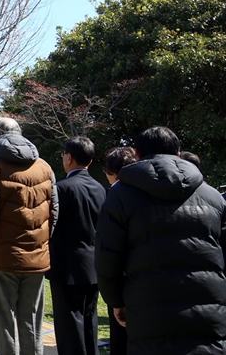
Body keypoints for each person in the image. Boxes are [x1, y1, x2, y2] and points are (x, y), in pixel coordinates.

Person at [96, 126, 226, 355]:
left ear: (137, 153)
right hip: (207, 311)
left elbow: (107, 255)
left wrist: (116, 300)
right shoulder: (213, 197)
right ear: (178, 153)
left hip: (147, 307)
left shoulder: (120, 195)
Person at [0, 117, 58, 355]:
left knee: (2, 322)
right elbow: (54, 213)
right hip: (37, 257)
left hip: (2, 257)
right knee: (32, 322)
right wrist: (41, 245)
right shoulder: (45, 166)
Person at [47, 137, 106, 355]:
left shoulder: (62, 189)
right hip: (93, 264)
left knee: (69, 323)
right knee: (90, 321)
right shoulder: (100, 188)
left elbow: (51, 226)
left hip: (66, 264)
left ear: (69, 158)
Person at [100, 146, 138, 355]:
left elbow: (109, 252)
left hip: (125, 282)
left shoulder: (115, 196)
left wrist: (114, 299)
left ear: (111, 172)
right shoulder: (150, 191)